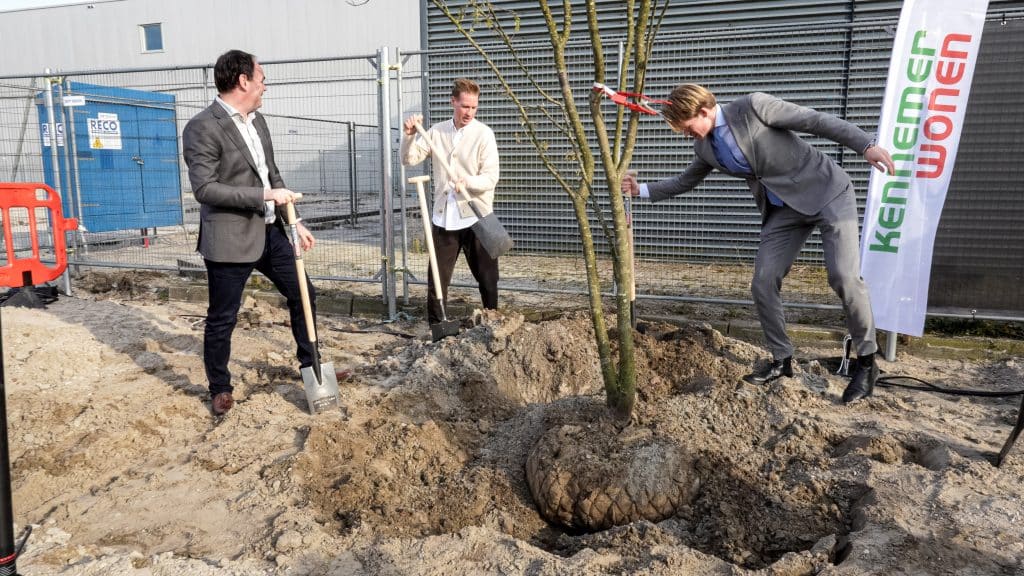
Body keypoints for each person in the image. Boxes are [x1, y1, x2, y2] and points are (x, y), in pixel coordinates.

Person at [622, 84, 895, 404]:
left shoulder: (753, 107)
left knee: (843, 278)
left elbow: (816, 121)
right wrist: (640, 190)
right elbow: (685, 181)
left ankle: (866, 362)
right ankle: (782, 361)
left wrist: (866, 146)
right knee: (763, 282)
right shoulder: (705, 148)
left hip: (827, 194)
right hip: (783, 211)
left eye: (687, 128)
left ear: (704, 111)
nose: (686, 135)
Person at [182, 49, 318, 416]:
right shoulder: (202, 127)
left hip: (271, 230)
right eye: (261, 79)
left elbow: (272, 174)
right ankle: (220, 387)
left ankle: (312, 369)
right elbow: (205, 189)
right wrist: (264, 195)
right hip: (229, 239)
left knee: (304, 293)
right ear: (243, 81)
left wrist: (295, 220)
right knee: (223, 317)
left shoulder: (257, 121)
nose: (265, 87)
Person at [401, 78, 501, 336]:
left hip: (478, 215)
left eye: (474, 108)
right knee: (437, 277)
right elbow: (408, 159)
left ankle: (492, 323)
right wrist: (410, 137)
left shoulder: (484, 135)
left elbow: (491, 177)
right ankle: (438, 327)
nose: (469, 112)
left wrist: (467, 181)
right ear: (453, 102)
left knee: (488, 279)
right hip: (445, 217)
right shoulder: (436, 132)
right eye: (465, 106)